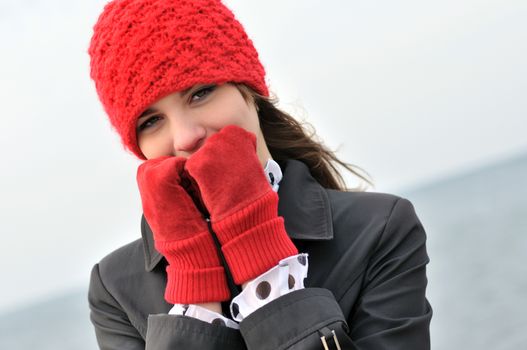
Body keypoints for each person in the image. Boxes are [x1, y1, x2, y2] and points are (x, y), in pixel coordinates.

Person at [87, 0, 433, 349]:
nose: (185, 137)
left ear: (250, 90)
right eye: (151, 121)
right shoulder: (115, 286)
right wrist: (195, 289)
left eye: (200, 93)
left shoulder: (380, 230)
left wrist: (261, 260)